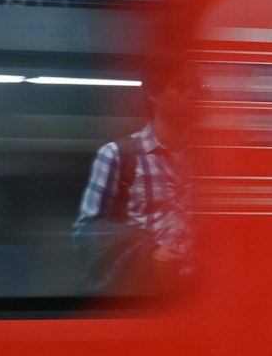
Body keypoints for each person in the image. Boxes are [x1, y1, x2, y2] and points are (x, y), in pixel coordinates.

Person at [73, 72, 193, 295]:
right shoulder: (118, 155)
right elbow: (87, 231)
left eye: (199, 86)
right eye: (182, 85)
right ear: (153, 93)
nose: (193, 94)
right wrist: (148, 252)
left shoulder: (214, 159)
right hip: (145, 292)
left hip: (204, 296)